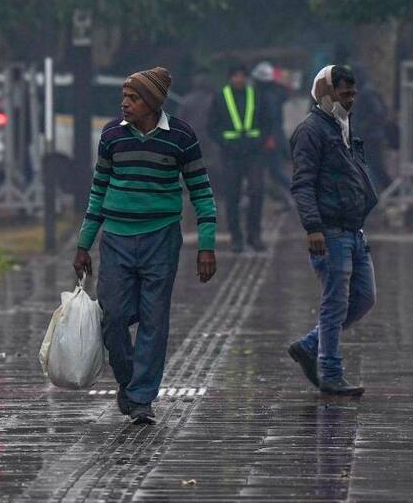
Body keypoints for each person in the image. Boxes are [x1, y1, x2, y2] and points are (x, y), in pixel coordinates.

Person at [73, 68, 218, 425]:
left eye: (134, 98)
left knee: (154, 319)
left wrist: (206, 246)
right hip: (116, 238)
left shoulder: (181, 137)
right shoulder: (111, 135)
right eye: (124, 97)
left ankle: (141, 398)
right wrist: (83, 244)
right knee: (113, 316)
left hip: (161, 238)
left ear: (153, 103)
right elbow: (98, 189)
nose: (125, 103)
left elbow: (201, 191)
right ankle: (127, 378)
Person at [287, 65, 379, 396]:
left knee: (364, 298)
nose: (350, 100)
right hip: (330, 231)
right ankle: (330, 371)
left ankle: (309, 345)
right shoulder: (311, 131)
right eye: (344, 94)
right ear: (326, 93)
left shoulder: (343, 126)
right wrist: (313, 228)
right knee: (334, 303)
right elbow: (303, 183)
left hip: (354, 229)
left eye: (353, 94)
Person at [209, 65, 272, 253]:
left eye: (242, 76)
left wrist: (259, 141)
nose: (239, 79)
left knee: (257, 191)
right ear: (229, 78)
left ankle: (255, 235)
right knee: (232, 196)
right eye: (235, 76)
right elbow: (212, 126)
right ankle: (236, 237)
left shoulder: (257, 95)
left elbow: (267, 122)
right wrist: (225, 143)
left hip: (254, 152)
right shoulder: (220, 97)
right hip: (230, 154)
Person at [251, 61, 294, 205]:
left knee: (275, 171)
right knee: (271, 171)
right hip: (275, 137)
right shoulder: (275, 94)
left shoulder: (267, 96)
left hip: (270, 138)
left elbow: (270, 118)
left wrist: (269, 138)